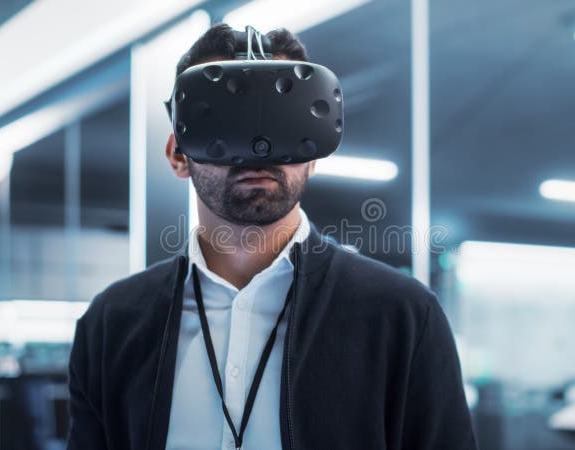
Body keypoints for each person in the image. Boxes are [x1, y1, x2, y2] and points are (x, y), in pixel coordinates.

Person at [67, 23, 476, 450]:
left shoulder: (403, 317)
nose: (257, 148)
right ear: (178, 154)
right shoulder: (111, 325)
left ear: (312, 155)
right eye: (225, 120)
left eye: (282, 123)